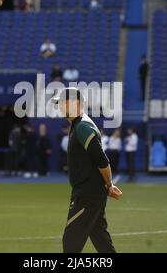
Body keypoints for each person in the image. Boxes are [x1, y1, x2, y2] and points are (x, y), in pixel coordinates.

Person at [51, 87, 122, 253]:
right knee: (101, 240)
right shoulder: (80, 124)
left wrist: (110, 184)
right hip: (90, 193)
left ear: (75, 102)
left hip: (87, 195)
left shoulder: (82, 126)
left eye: (62, 102)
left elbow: (102, 160)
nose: (60, 106)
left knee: (71, 241)